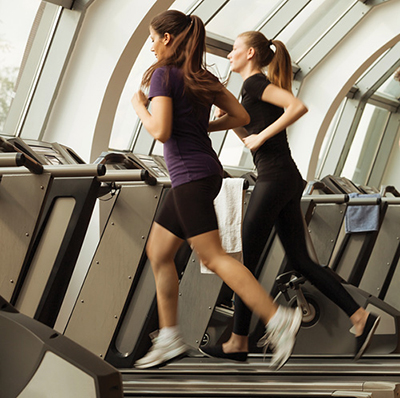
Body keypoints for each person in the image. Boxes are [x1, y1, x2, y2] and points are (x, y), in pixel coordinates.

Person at [131, 10, 303, 370]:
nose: (149, 47)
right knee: (159, 251)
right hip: (202, 172)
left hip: (190, 175)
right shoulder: (202, 77)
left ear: (166, 39)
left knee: (213, 256)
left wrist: (140, 108)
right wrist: (200, 127)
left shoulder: (163, 75)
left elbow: (160, 131)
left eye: (151, 39)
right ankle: (169, 337)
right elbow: (241, 117)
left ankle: (278, 317)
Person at [201, 31, 380, 363]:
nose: (229, 55)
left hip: (275, 178)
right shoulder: (247, 90)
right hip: (283, 177)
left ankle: (239, 341)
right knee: (300, 259)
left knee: (244, 265)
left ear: (251, 53)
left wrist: (260, 137)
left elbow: (297, 106)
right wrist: (212, 127)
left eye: (235, 49)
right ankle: (358, 316)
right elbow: (246, 131)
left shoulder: (255, 84)